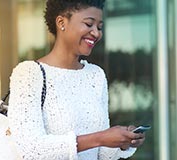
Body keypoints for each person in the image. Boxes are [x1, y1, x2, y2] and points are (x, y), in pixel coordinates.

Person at [8, 0, 146, 159]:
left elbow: (101, 155)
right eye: (89, 24)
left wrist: (123, 142)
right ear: (61, 22)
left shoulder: (96, 75)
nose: (96, 33)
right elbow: (31, 149)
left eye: (99, 27)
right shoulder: (29, 74)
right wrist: (100, 138)